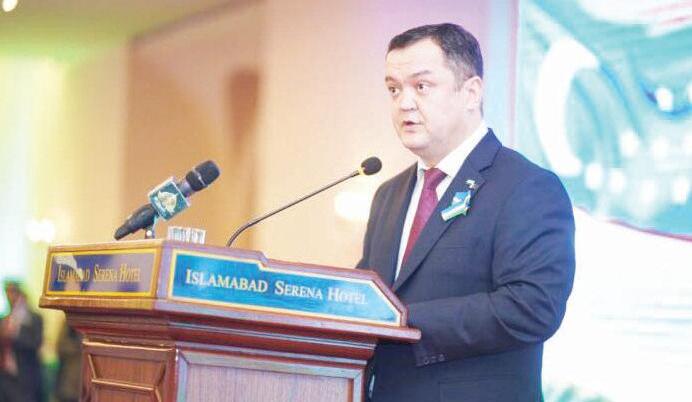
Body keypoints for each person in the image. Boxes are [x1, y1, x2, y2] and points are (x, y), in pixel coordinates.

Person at [357, 23, 575, 402]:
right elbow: (366, 297)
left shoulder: (526, 186)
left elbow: (533, 307)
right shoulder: (387, 195)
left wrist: (401, 319)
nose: (404, 103)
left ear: (471, 92)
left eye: (421, 86)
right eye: (394, 89)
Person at [0, 281, 43, 402]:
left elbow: (35, 343)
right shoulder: (4, 319)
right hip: (5, 376)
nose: (10, 297)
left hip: (25, 378)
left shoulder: (34, 319)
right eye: (7, 293)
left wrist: (15, 333)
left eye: (12, 292)